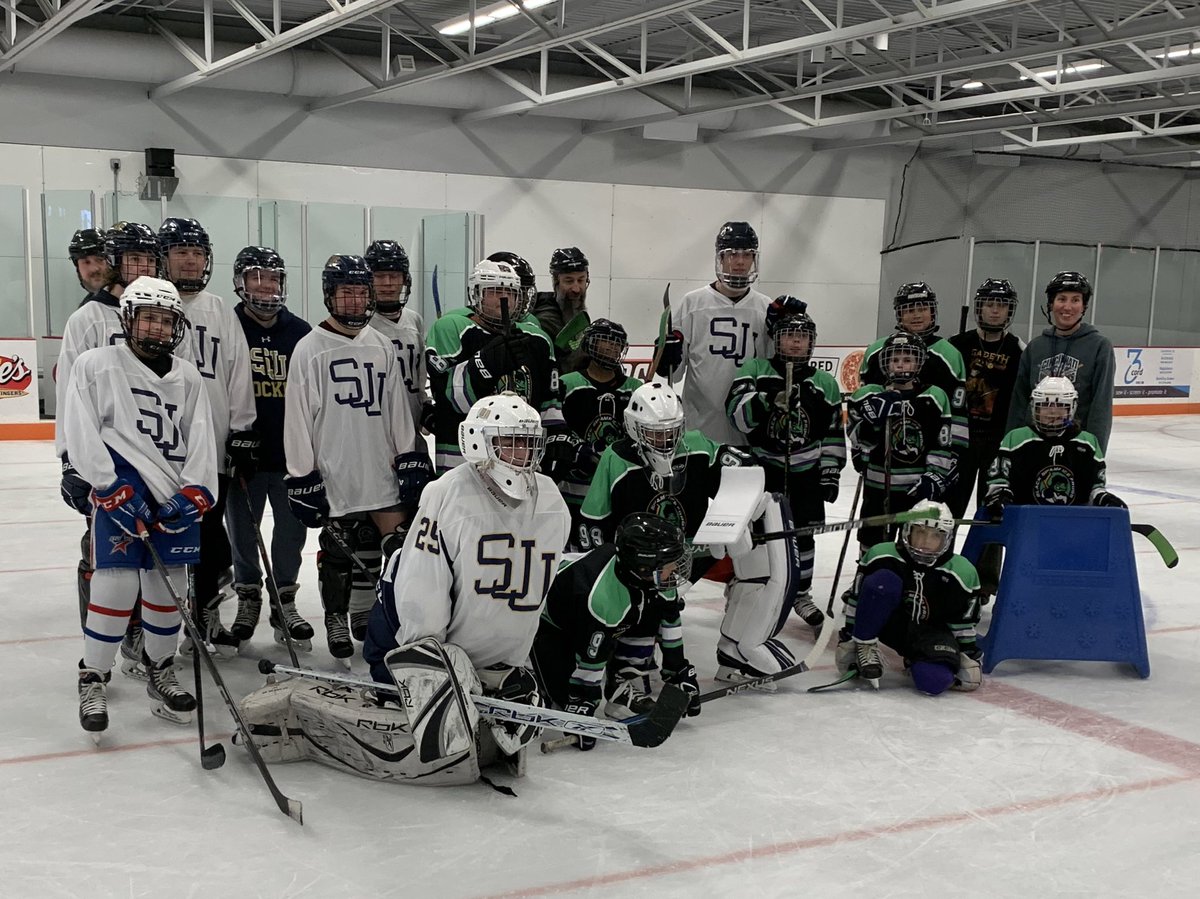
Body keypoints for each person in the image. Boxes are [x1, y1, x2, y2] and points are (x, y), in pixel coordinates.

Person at [240, 393, 570, 786]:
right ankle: (405, 677)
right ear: (481, 441)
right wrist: (426, 657)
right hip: (417, 620)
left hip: (485, 638)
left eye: (528, 442)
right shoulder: (450, 492)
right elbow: (421, 585)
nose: (521, 453)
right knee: (395, 648)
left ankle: (486, 675)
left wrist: (512, 658)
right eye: (510, 440)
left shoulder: (550, 497)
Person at [62, 276, 218, 739]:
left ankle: (160, 669)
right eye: (148, 316)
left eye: (165, 319)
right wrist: (105, 485)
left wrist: (195, 491)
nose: (156, 327)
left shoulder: (187, 374)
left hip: (172, 489)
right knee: (114, 584)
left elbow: (201, 435)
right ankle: (92, 676)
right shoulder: (96, 365)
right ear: (128, 318)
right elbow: (81, 428)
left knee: (169, 588)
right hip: (123, 485)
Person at [581, 382, 802, 692]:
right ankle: (631, 660)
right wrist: (610, 580)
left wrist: (734, 517)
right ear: (634, 428)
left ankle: (738, 650)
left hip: (694, 554)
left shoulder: (697, 445)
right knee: (645, 614)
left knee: (759, 559)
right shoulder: (615, 459)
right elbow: (592, 524)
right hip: (639, 567)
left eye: (671, 432)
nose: (666, 441)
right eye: (656, 433)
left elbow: (747, 469)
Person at [283, 254, 428, 659]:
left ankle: (376, 614)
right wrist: (301, 475)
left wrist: (409, 456)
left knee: (397, 549)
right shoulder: (309, 349)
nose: (354, 301)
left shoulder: (380, 344)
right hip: (335, 469)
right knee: (337, 552)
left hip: (379, 468)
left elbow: (398, 407)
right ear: (330, 295)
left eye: (360, 292)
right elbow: (296, 419)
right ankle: (335, 616)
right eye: (346, 292)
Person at [57, 222, 161, 680]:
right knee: (103, 554)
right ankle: (99, 639)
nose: (139, 268)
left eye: (147, 259)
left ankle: (140, 632)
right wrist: (71, 458)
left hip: (152, 460)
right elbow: (70, 395)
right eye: (131, 259)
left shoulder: (160, 315)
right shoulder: (87, 318)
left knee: (149, 552)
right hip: (103, 463)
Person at [159, 217, 258, 658]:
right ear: (165, 257)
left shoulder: (219, 308)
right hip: (162, 444)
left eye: (197, 251)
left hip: (213, 441)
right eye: (181, 251)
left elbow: (238, 370)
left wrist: (241, 430)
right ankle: (153, 627)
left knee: (211, 535)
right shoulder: (152, 304)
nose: (191, 259)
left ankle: (206, 616)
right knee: (162, 537)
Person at [531, 513, 699, 750]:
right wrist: (581, 711)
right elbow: (590, 663)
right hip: (552, 623)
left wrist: (678, 671)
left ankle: (619, 683)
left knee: (650, 610)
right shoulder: (601, 599)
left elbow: (670, 617)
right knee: (562, 699)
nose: (674, 571)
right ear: (644, 566)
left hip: (597, 617)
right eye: (667, 564)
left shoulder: (653, 578)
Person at [726, 296, 845, 626]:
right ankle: (755, 587)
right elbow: (737, 417)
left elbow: (833, 432)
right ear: (777, 339)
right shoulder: (756, 371)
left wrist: (831, 472)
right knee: (760, 535)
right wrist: (767, 401)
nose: (796, 342)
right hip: (765, 470)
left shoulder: (824, 383)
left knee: (804, 536)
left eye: (803, 336)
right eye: (790, 336)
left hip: (806, 474)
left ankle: (801, 593)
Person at [223, 247, 315, 651]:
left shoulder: (301, 332)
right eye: (256, 277)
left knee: (291, 533)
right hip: (242, 457)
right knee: (243, 532)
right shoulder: (226, 325)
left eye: (273, 278)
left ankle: (285, 600)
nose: (265, 285)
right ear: (240, 282)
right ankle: (248, 597)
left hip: (290, 455)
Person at [425, 259, 565, 472]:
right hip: (462, 457)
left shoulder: (537, 339)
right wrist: (485, 365)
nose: (503, 298)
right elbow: (450, 399)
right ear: (477, 294)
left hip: (522, 455)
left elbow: (548, 402)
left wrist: (557, 439)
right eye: (493, 291)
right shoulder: (452, 328)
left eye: (510, 292)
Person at [845, 332, 955, 601]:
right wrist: (872, 421)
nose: (902, 365)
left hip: (916, 489)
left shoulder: (934, 397)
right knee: (872, 539)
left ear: (918, 364)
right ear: (885, 364)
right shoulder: (866, 395)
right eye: (896, 359)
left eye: (908, 359)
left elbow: (943, 442)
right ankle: (865, 582)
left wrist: (934, 477)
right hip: (877, 485)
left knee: (916, 541)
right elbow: (857, 440)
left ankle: (909, 589)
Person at [836, 501, 982, 693]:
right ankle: (864, 646)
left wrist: (966, 654)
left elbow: (962, 621)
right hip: (889, 623)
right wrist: (851, 637)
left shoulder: (962, 572)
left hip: (930, 632)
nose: (925, 542)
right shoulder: (881, 556)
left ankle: (918, 658)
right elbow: (857, 599)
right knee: (883, 582)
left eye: (935, 535)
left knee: (934, 681)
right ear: (907, 530)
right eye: (920, 532)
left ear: (947, 539)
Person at [654, 221, 772, 446]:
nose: (739, 262)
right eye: (732, 254)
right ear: (720, 258)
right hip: (699, 431)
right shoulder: (692, 304)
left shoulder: (765, 308)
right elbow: (674, 374)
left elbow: (773, 372)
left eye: (747, 254)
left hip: (750, 433)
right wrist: (665, 355)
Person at [1006, 271, 1115, 454]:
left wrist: (1095, 454)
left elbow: (1101, 408)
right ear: (1051, 303)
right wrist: (1010, 446)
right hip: (1033, 447)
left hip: (1076, 448)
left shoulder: (1100, 347)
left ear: (1084, 306)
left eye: (1075, 300)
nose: (1068, 306)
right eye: (1061, 299)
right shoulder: (1035, 347)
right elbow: (1019, 402)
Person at [860, 281, 968, 464]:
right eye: (909, 310)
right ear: (899, 315)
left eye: (923, 309)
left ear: (932, 312)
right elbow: (864, 402)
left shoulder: (949, 354)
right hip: (884, 452)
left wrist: (954, 455)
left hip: (933, 452)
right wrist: (861, 449)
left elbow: (957, 412)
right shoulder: (877, 351)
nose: (917, 315)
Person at [558, 318, 642, 550]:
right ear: (589, 344)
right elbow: (555, 428)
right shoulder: (569, 384)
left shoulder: (636, 389)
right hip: (574, 489)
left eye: (617, 343)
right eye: (605, 341)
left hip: (618, 489)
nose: (611, 348)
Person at [984, 376, 1125, 514]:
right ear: (1035, 407)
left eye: (1060, 406)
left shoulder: (1088, 443)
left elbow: (1095, 487)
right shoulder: (1016, 438)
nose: (1052, 412)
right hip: (1025, 521)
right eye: (1045, 405)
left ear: (1072, 408)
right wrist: (1000, 494)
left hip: (1072, 522)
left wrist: (1102, 497)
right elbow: (999, 479)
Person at [946, 278, 1024, 517]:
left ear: (1009, 310)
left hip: (997, 444)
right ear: (979, 307)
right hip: (960, 442)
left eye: (1001, 305)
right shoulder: (957, 345)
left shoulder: (1019, 349)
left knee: (992, 512)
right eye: (990, 303)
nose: (995, 310)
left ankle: (987, 556)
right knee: (949, 509)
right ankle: (942, 555)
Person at [364, 239, 431, 434]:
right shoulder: (360, 324)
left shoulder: (414, 320)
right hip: (375, 424)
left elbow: (419, 376)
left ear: (404, 279)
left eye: (394, 276)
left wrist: (425, 406)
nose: (387, 284)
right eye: (380, 276)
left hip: (411, 423)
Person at [531, 246, 591, 369]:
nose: (576, 289)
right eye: (569, 281)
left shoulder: (578, 315)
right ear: (555, 281)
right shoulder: (544, 322)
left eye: (581, 280)